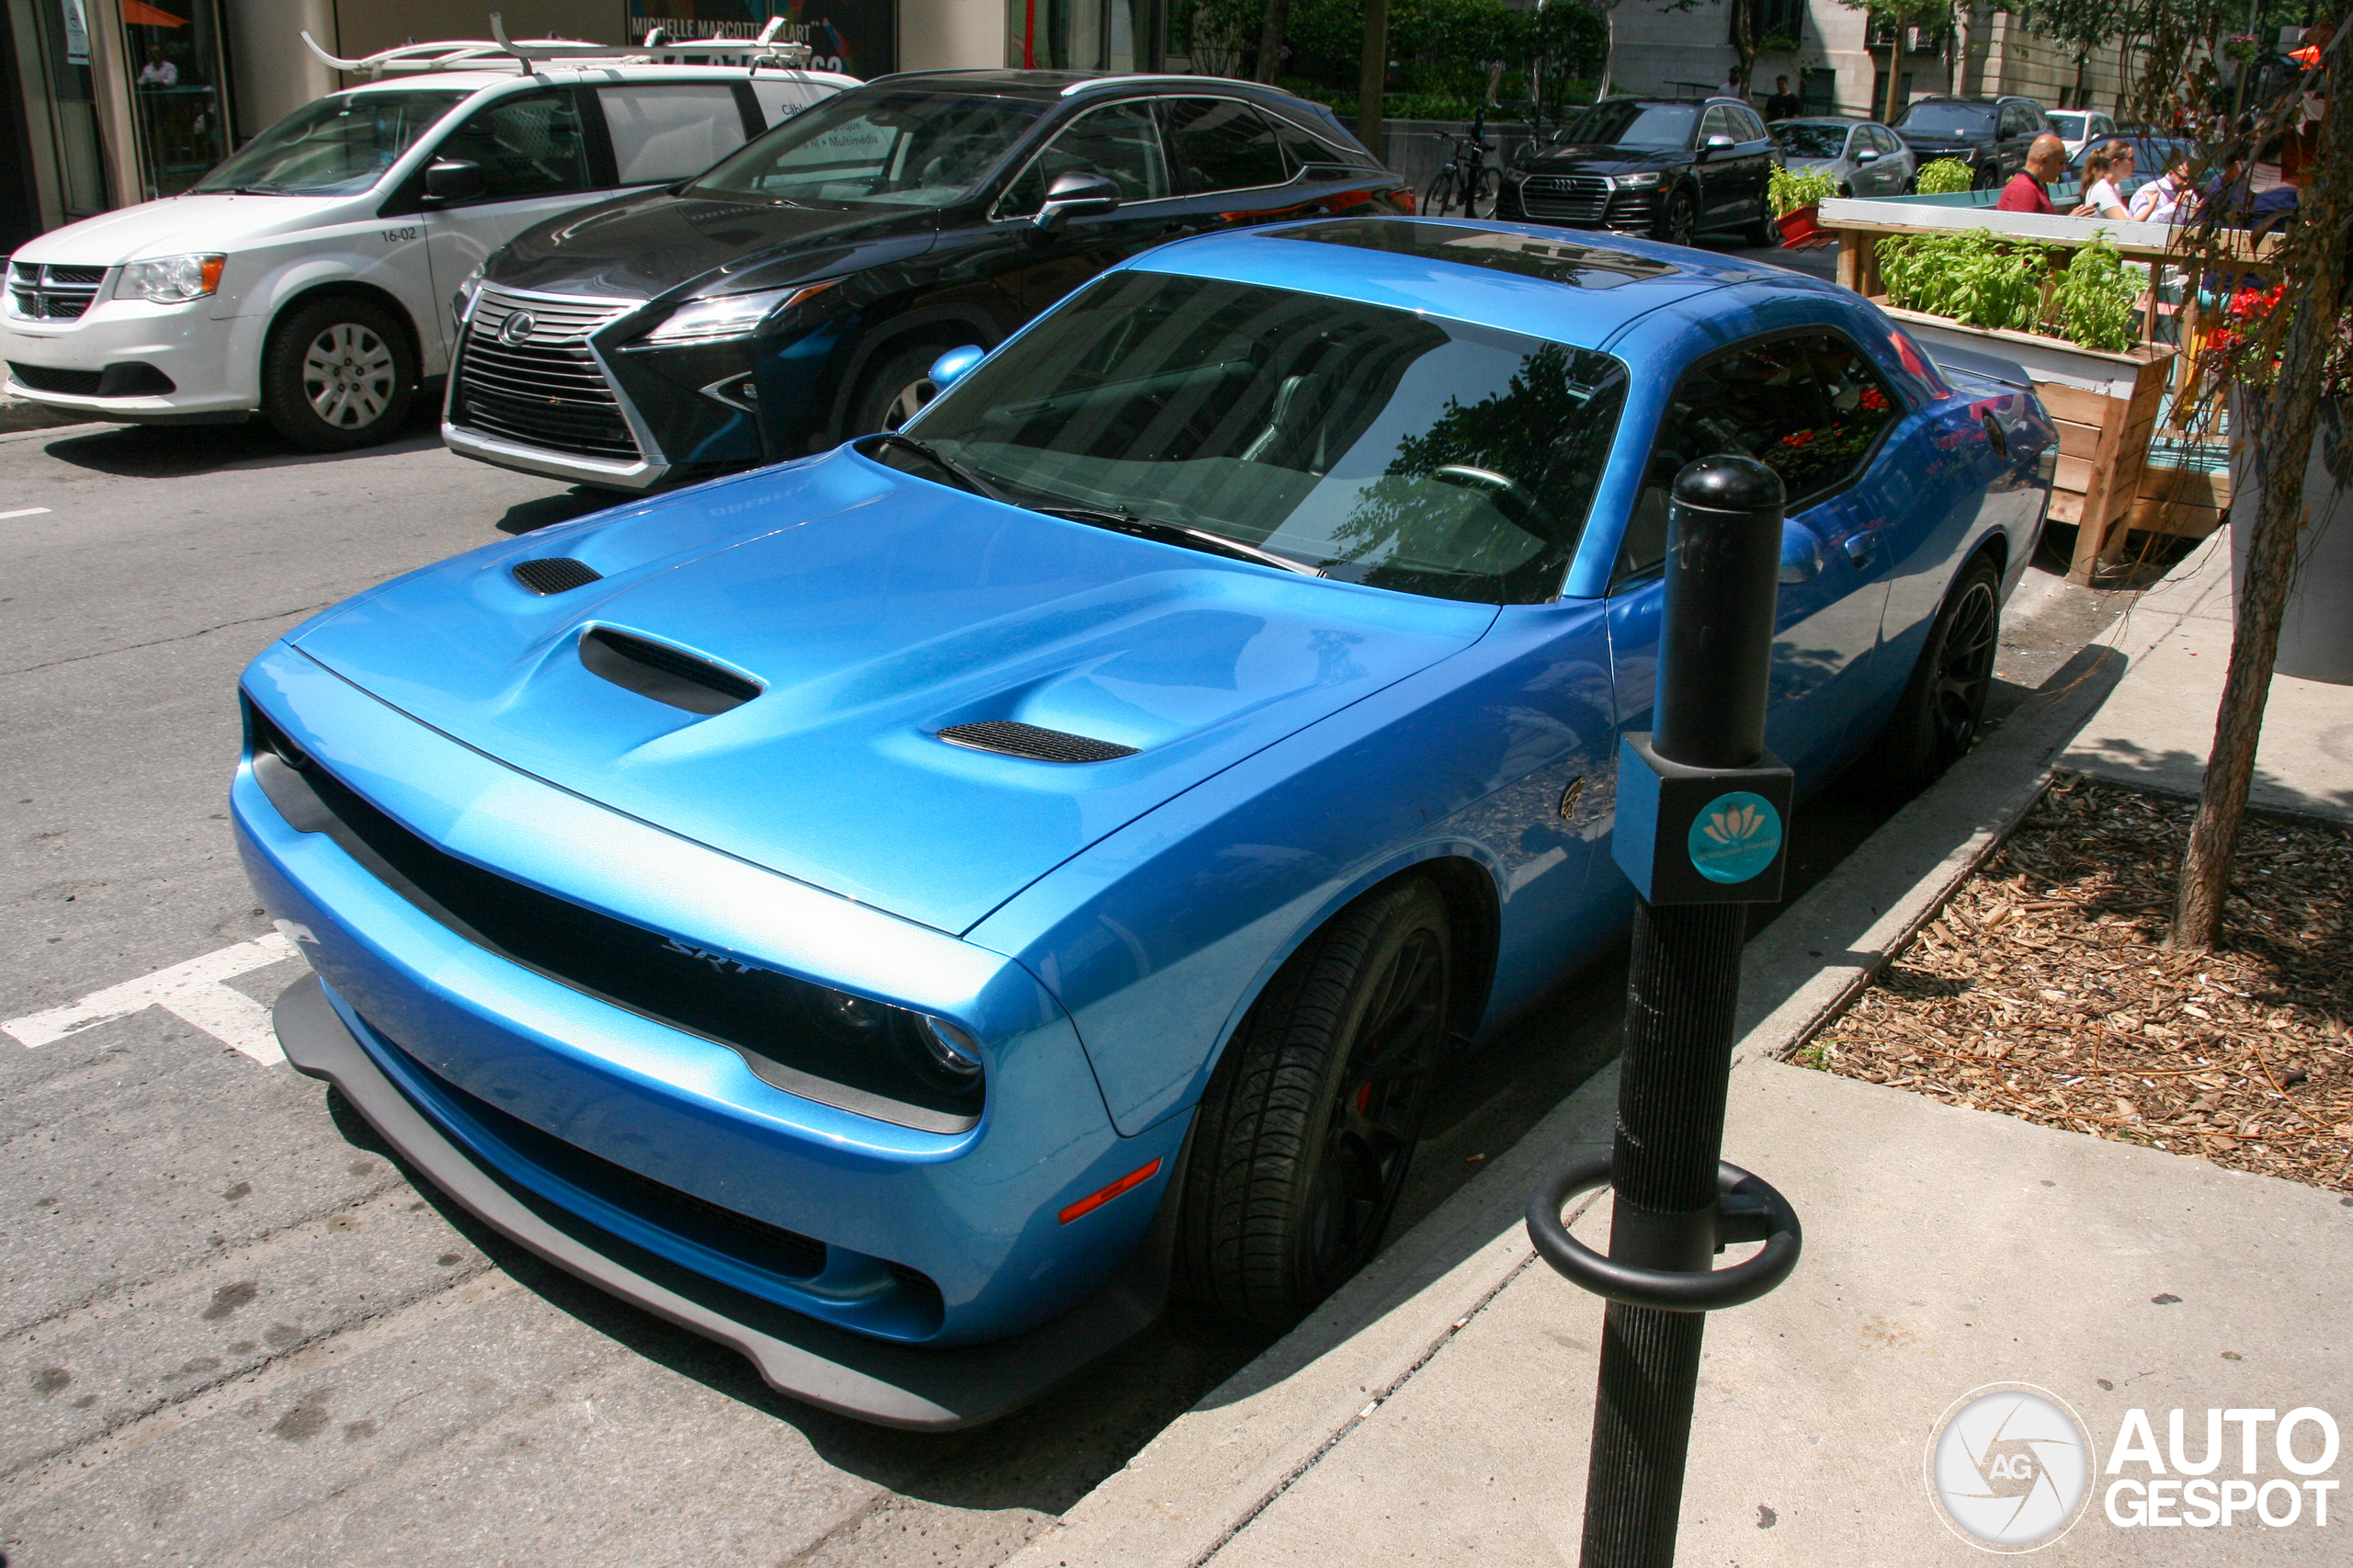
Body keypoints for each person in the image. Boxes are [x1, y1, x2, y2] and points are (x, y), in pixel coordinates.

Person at [1996, 133, 2068, 213]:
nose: (2064, 168)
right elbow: (2024, 225)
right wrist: (2068, 221)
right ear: (2044, 160)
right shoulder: (2024, 189)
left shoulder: (2035, 185)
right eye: (2061, 163)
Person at [2072, 140, 2133, 219]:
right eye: (2131, 159)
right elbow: (2126, 224)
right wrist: (2152, 204)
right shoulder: (2102, 188)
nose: (2135, 163)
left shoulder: (2115, 186)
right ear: (2116, 163)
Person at [2128, 151, 2195, 223]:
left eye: (2193, 179)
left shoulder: (2190, 194)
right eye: (2184, 178)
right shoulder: (2149, 190)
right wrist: (2174, 205)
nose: (2187, 183)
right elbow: (2142, 223)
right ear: (2171, 172)